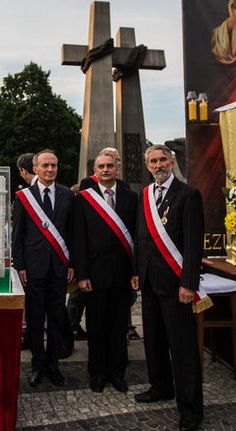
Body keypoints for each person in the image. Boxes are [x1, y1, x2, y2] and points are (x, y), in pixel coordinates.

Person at [132, 144, 206, 431]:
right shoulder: (146, 196)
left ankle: (191, 410)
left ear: (172, 161)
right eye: (153, 161)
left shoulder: (188, 195)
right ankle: (161, 387)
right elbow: (141, 237)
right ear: (148, 166)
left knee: (183, 348)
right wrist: (137, 272)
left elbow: (192, 243)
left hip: (176, 285)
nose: (158, 164)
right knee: (154, 341)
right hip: (150, 282)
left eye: (163, 159)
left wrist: (188, 283)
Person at [72, 153, 138, 393]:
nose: (106, 169)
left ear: (117, 169)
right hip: (94, 275)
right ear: (95, 171)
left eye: (110, 166)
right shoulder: (83, 200)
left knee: (119, 327)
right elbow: (78, 239)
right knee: (96, 326)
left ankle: (117, 372)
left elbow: (136, 238)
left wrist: (135, 271)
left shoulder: (131, 198)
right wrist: (82, 274)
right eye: (101, 166)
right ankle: (97, 373)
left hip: (122, 274)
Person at [11, 149, 74, 387]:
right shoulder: (24, 197)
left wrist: (72, 263)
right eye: (45, 166)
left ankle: (53, 364)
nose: (50, 170)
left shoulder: (68, 196)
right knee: (36, 320)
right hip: (34, 268)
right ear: (35, 169)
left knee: (57, 318)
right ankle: (38, 364)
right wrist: (21, 266)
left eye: (54, 166)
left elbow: (72, 232)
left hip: (59, 268)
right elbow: (18, 236)